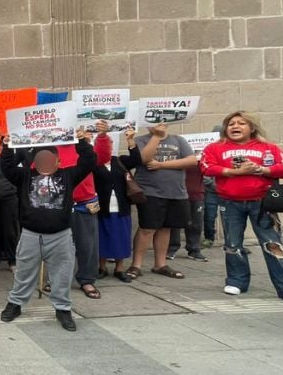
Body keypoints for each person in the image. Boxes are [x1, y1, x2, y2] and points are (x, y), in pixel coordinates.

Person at [200, 112, 283, 306]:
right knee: (233, 244)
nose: (235, 126)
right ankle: (236, 281)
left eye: (241, 123)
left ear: (252, 128)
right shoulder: (215, 148)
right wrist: (234, 172)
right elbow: (206, 167)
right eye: (231, 123)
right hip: (229, 203)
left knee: (273, 245)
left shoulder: (269, 148)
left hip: (263, 203)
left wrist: (262, 170)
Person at [0, 127, 96, 332]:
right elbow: (7, 167)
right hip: (31, 235)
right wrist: (6, 145)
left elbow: (88, 161)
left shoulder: (69, 175)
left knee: (62, 274)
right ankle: (15, 304)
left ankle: (62, 309)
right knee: (24, 272)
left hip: (60, 236)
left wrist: (81, 142)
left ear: (59, 162)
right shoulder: (25, 175)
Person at [126, 123, 195, 281]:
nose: (156, 125)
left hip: (175, 192)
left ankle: (160, 264)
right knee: (147, 228)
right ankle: (136, 265)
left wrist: (161, 165)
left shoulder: (178, 140)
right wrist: (156, 136)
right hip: (150, 191)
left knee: (165, 228)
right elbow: (144, 159)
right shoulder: (140, 140)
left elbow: (191, 161)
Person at [59, 120, 112, 299]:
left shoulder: (84, 146)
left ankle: (87, 279)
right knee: (56, 246)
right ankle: (56, 279)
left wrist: (102, 136)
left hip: (83, 203)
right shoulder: (49, 146)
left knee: (87, 245)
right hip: (57, 204)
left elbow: (102, 158)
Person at [93, 125, 141, 282]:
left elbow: (136, 160)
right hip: (103, 206)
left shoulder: (119, 161)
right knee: (101, 236)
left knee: (121, 236)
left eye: (109, 144)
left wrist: (130, 140)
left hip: (121, 206)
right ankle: (102, 267)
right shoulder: (93, 164)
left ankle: (120, 268)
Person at [167, 159, 209, 262]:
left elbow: (209, 169)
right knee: (175, 223)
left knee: (196, 223)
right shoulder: (179, 153)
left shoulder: (203, 155)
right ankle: (171, 248)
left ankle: (194, 250)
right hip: (177, 193)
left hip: (196, 193)